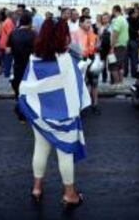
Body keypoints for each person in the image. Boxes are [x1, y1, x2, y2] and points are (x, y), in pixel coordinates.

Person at [19, 18, 90, 208]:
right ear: (63, 36)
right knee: (65, 153)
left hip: (40, 115)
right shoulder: (66, 59)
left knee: (40, 149)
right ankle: (69, 194)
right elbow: (76, 88)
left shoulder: (34, 59)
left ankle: (36, 188)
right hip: (64, 116)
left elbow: (26, 86)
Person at [7, 12, 36, 122]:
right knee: (30, 90)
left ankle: (20, 111)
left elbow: (8, 51)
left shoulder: (13, 33)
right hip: (30, 67)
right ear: (30, 22)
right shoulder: (34, 34)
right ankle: (27, 111)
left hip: (17, 65)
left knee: (19, 88)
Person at [71, 15, 101, 115]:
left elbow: (97, 46)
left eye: (90, 22)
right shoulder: (74, 34)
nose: (89, 24)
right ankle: (83, 106)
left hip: (92, 60)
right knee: (82, 84)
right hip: (80, 61)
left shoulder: (93, 34)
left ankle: (95, 105)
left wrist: (97, 47)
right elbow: (72, 49)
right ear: (81, 23)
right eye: (87, 22)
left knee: (94, 83)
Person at [109, 5, 129, 86]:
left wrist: (112, 47)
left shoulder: (118, 20)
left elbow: (115, 34)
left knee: (113, 66)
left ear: (114, 10)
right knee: (120, 66)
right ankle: (120, 83)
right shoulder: (124, 20)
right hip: (123, 45)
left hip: (117, 45)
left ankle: (117, 84)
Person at [125, 8, 139, 78]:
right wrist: (138, 34)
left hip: (130, 40)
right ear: (132, 13)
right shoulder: (136, 21)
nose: (137, 14)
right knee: (133, 58)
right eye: (135, 13)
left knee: (128, 58)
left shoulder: (127, 20)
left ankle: (126, 73)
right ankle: (133, 73)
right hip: (132, 40)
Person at [0, 10, 15, 78]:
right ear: (11, 15)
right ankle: (7, 73)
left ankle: (6, 71)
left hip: (4, 41)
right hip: (7, 43)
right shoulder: (9, 22)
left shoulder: (6, 21)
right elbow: (10, 34)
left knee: (6, 58)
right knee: (8, 59)